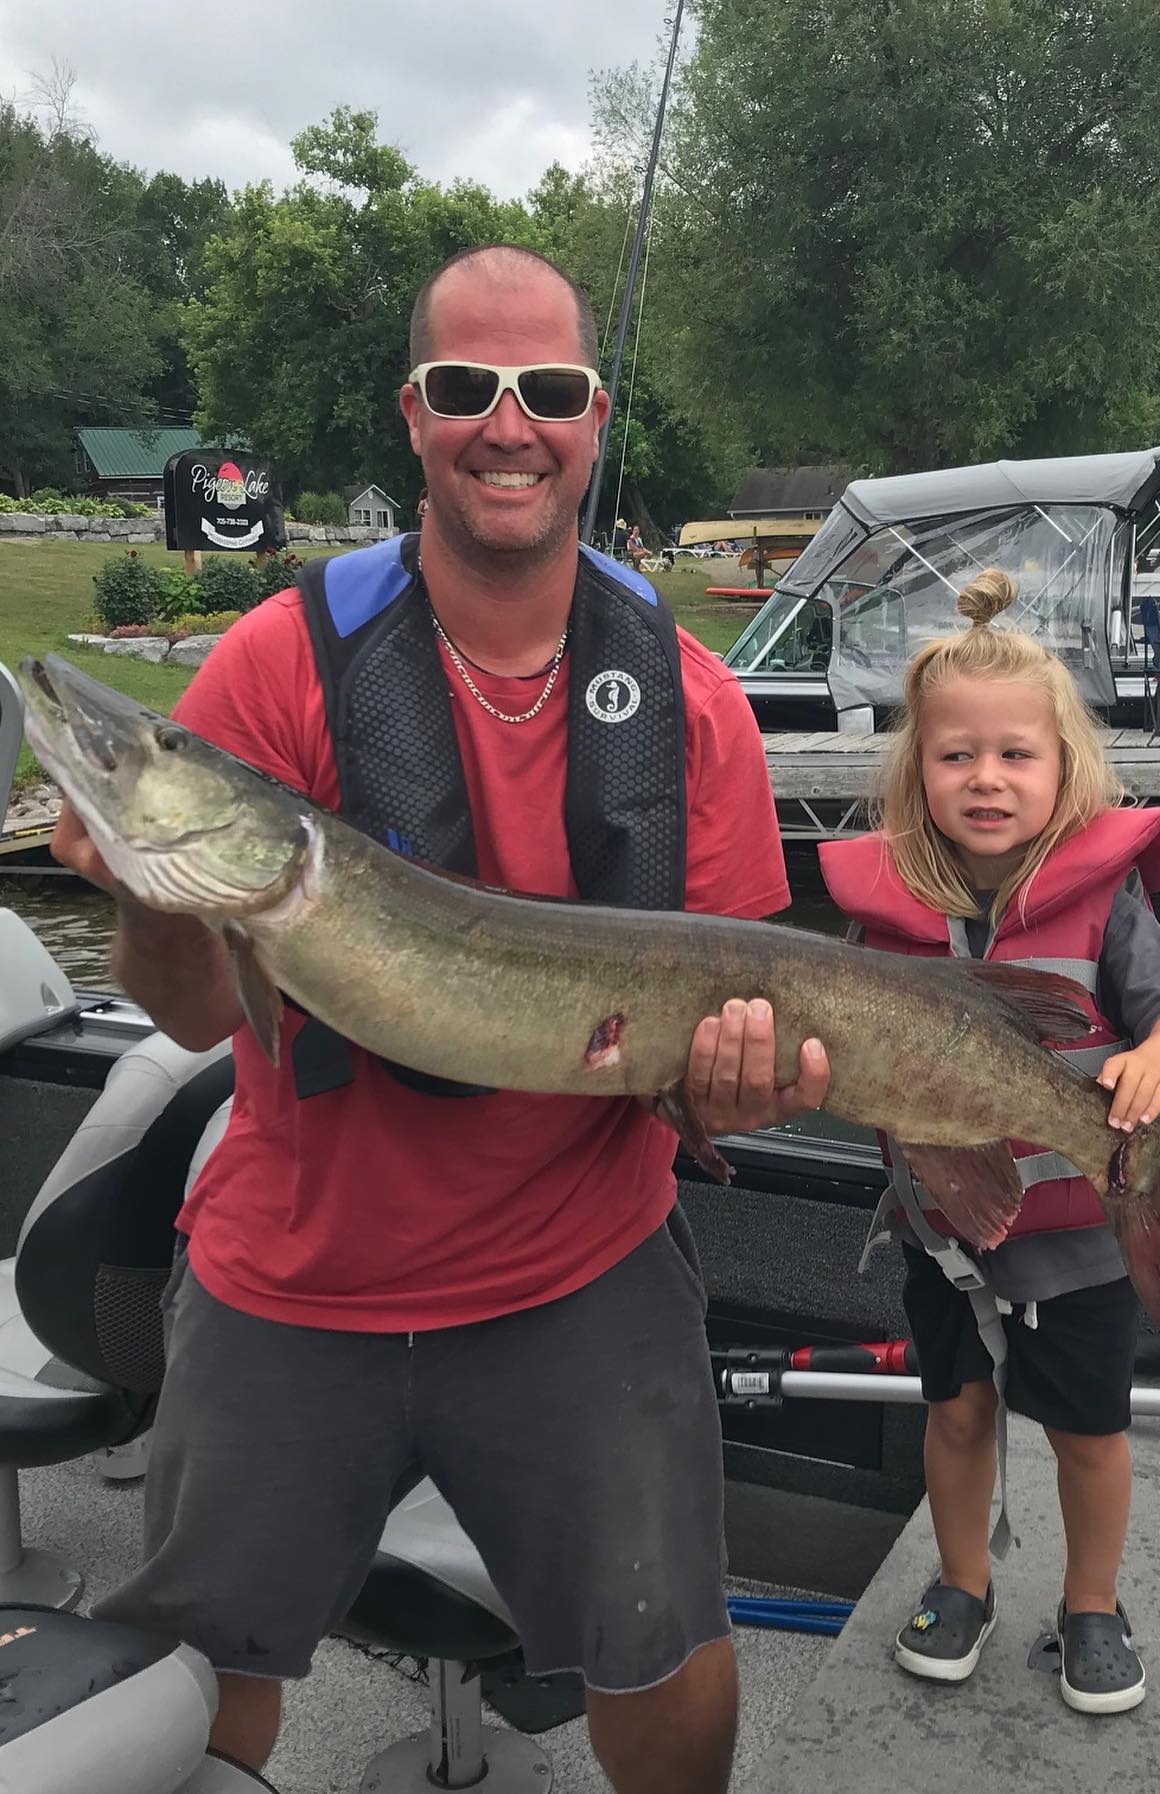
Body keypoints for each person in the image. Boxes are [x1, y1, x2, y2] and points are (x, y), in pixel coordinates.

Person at [53, 242, 830, 1794]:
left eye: (545, 390)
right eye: (468, 388)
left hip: (579, 1267)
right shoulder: (279, 659)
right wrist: (147, 882)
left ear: (594, 418)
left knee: (667, 1650)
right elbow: (198, 1014)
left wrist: (736, 1093)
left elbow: (726, 1037)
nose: (507, 424)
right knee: (197, 1678)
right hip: (295, 1271)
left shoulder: (692, 704)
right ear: (414, 413)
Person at [818, 568, 1160, 1716]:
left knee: (1090, 1432)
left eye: (1015, 756)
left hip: (1083, 1240)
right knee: (955, 1411)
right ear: (917, 768)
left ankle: (1092, 1601)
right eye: (955, 757)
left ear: (1063, 765)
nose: (985, 778)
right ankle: (963, 1579)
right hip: (942, 1233)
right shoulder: (878, 913)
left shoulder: (1110, 901)